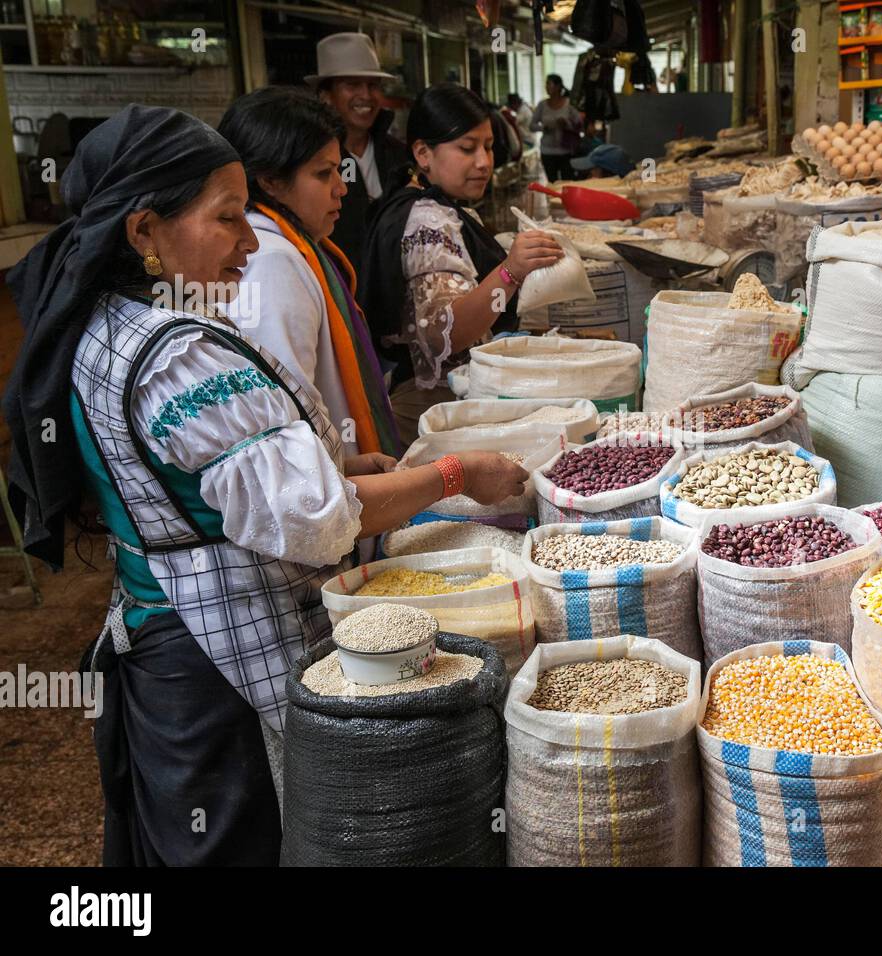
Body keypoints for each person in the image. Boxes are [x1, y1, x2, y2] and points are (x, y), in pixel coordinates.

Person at [0, 105, 526, 866]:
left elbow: (187, 472)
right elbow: (315, 520)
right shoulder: (180, 356)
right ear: (143, 232)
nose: (251, 241)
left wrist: (338, 464)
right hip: (216, 661)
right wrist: (456, 474)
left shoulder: (105, 324)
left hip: (159, 644)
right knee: (246, 838)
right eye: (228, 218)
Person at [358, 83, 563, 445]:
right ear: (423, 153)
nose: (484, 162)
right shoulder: (429, 222)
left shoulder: (430, 203)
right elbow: (444, 334)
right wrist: (510, 271)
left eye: (487, 146)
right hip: (433, 409)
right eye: (467, 149)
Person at [218, 86, 401, 465]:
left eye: (338, 169)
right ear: (270, 180)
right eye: (323, 174)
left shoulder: (285, 244)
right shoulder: (271, 260)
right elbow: (289, 413)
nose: (341, 188)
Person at [310, 32, 407, 273]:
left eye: (373, 85)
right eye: (352, 84)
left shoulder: (399, 155)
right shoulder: (312, 164)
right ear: (326, 95)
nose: (366, 95)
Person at [531, 74, 583, 183]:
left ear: (558, 86)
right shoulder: (542, 105)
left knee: (568, 182)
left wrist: (566, 124)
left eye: (549, 84)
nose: (546, 87)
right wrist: (543, 128)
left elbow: (579, 125)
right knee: (552, 183)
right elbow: (532, 125)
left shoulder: (569, 104)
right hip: (547, 151)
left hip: (566, 151)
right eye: (546, 84)